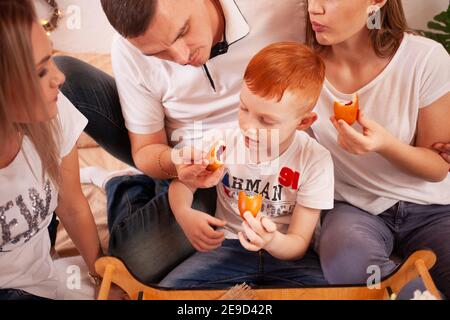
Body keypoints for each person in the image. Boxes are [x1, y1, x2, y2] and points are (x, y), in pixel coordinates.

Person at [55, 0, 308, 283]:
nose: (181, 56)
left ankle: (126, 186)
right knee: (62, 73)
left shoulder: (283, 8)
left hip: (246, 162)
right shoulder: (128, 51)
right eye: (158, 52)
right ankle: (134, 183)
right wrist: (175, 164)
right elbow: (147, 149)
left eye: (183, 31)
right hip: (186, 158)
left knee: (134, 262)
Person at [156, 42, 334, 288]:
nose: (248, 125)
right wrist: (184, 213)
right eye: (244, 108)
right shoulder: (222, 142)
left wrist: (271, 241)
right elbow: (184, 184)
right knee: (169, 293)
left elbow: (298, 243)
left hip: (287, 256)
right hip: (229, 246)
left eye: (266, 120)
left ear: (303, 122)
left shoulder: (314, 160)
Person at [305, 0, 450, 298]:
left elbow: (437, 168)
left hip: (430, 207)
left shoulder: (423, 58)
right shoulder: (303, 68)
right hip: (354, 207)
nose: (313, 9)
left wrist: (384, 145)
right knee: (348, 264)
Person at [0, 0, 108, 300]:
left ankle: (120, 184)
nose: (59, 77)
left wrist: (101, 277)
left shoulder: (54, 113)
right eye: (39, 72)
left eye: (51, 59)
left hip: (39, 277)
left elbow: (71, 204)